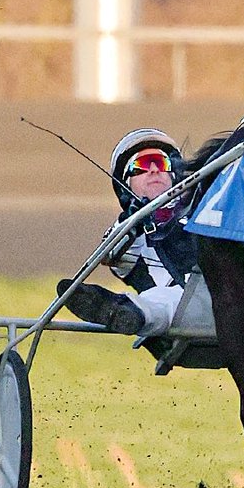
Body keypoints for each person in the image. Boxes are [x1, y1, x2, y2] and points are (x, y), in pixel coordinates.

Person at [57, 128, 197, 337]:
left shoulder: (203, 210)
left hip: (229, 292)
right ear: (126, 183)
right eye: (142, 165)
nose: (153, 170)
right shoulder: (129, 231)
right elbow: (109, 255)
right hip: (179, 310)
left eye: (160, 163)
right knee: (162, 300)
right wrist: (133, 221)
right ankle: (120, 311)